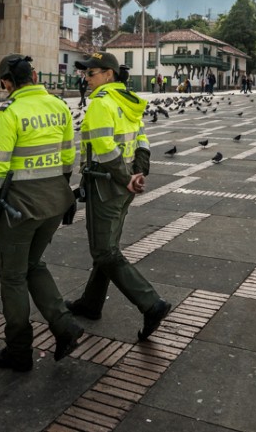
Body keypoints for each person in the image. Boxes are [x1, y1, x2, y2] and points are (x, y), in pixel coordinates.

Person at [0, 54, 83, 371]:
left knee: (13, 276)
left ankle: (19, 350)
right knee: (34, 264)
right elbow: (67, 157)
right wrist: (59, 193)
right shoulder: (59, 106)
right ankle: (65, 327)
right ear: (34, 75)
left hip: (20, 210)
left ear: (7, 81)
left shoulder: (11, 111)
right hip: (54, 204)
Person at [66, 51, 171, 342]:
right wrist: (138, 174)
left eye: (91, 73)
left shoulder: (101, 102)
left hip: (106, 184)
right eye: (85, 74)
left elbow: (103, 146)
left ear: (108, 74)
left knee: (104, 251)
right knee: (107, 246)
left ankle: (151, 303)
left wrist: (126, 179)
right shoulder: (127, 100)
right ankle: (91, 303)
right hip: (124, 185)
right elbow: (141, 139)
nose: (86, 79)